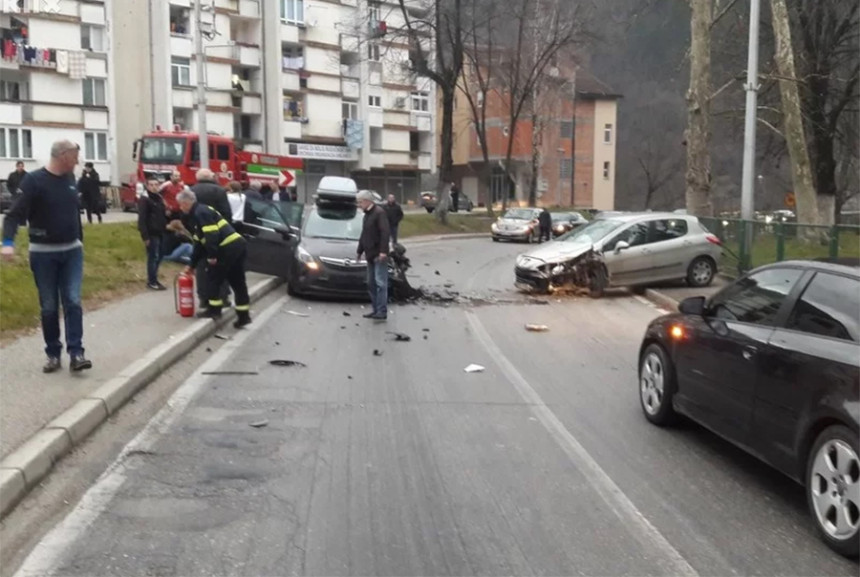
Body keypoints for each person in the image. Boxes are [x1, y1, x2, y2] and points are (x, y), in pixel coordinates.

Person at [1, 140, 92, 373]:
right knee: (49, 306)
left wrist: (79, 241)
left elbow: (72, 213)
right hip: (44, 254)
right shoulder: (33, 181)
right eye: (74, 156)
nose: (77, 161)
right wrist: (8, 243)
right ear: (63, 155)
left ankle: (77, 353)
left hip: (72, 251)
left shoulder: (71, 179)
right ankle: (53, 353)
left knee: (72, 301)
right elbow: (13, 215)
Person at [177, 190, 251, 328]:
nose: (180, 208)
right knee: (238, 282)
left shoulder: (200, 213)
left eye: (181, 205)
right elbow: (198, 244)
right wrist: (191, 265)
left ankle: (214, 311)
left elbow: (212, 235)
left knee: (213, 277)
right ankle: (243, 316)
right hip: (237, 245)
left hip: (227, 247)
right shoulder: (202, 211)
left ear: (186, 203)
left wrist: (212, 256)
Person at [190, 168, 232, 312]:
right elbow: (226, 213)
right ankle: (223, 296)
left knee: (201, 267)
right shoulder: (219, 191)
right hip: (218, 234)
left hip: (199, 234)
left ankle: (203, 298)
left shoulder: (192, 190)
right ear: (211, 177)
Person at [356, 190, 390, 321]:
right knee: (371, 283)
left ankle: (382, 311)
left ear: (367, 201)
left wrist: (383, 251)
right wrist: (359, 251)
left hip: (378, 255)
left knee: (380, 283)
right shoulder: (367, 215)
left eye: (360, 202)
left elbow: (385, 233)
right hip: (370, 254)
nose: (359, 205)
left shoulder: (379, 213)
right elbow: (364, 235)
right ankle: (376, 309)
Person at [138, 178, 168, 290]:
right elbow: (142, 219)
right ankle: (152, 281)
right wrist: (145, 236)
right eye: (151, 185)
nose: (154, 187)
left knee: (160, 256)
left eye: (156, 184)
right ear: (147, 186)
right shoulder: (145, 199)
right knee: (153, 257)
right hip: (151, 233)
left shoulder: (159, 198)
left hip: (160, 232)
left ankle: (154, 278)